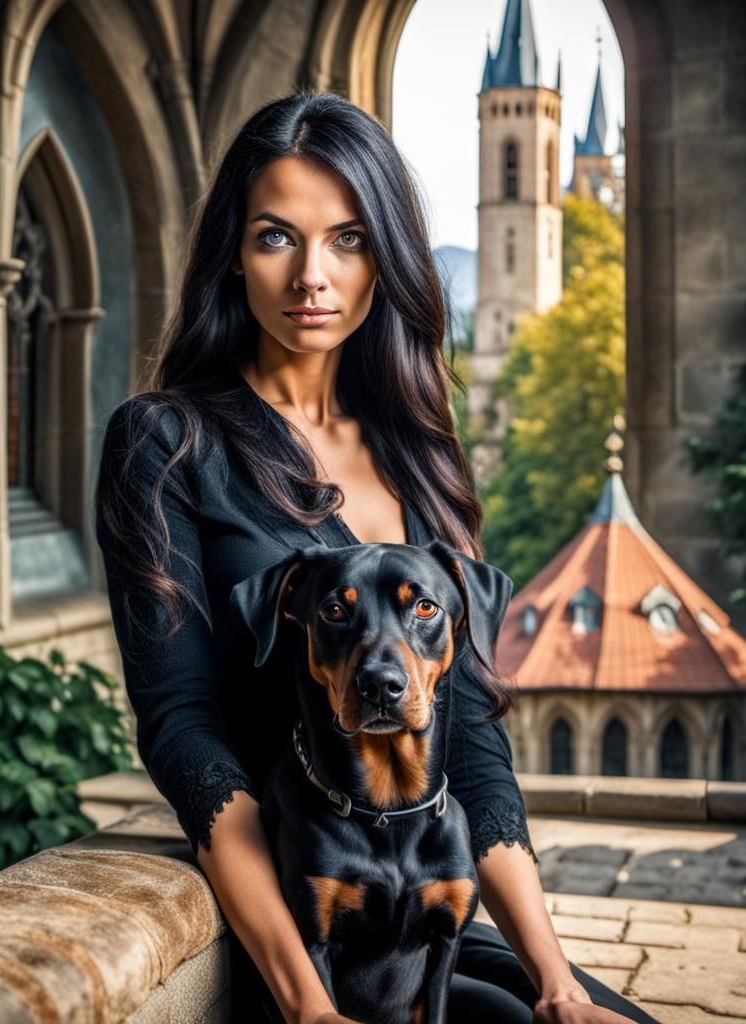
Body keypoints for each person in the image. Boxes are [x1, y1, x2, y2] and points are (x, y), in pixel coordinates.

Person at [95, 91, 656, 1024]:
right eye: (276, 236)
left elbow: (472, 742)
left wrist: (558, 983)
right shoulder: (165, 440)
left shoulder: (417, 447)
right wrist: (307, 1004)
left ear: (384, 257)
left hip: (437, 923)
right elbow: (184, 734)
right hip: (307, 923)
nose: (311, 275)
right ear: (232, 254)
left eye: (347, 239)